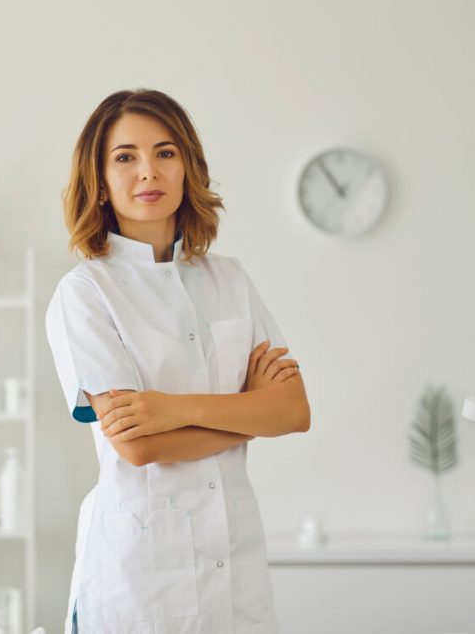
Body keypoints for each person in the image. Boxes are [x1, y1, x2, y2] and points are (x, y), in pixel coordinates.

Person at [45, 88, 311, 634]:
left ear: (188, 166)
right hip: (142, 581)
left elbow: (292, 412)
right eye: (126, 157)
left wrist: (168, 407)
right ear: (98, 179)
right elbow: (138, 446)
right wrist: (245, 414)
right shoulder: (87, 293)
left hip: (236, 566)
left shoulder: (230, 280)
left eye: (166, 153)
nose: (149, 171)